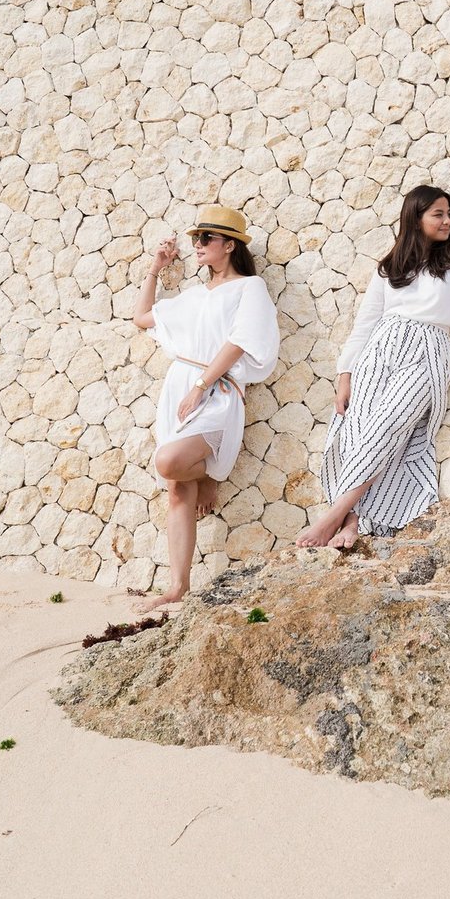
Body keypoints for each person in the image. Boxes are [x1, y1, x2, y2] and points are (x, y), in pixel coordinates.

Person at [298, 185, 450, 550]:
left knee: (388, 426)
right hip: (380, 350)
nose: (448, 221)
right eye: (438, 214)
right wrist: (345, 375)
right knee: (360, 429)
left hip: (428, 350)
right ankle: (354, 521)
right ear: (416, 218)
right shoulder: (390, 265)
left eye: (449, 213)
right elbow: (365, 322)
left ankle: (333, 515)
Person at [131, 205, 280, 610]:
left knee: (169, 462)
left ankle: (210, 470)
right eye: (196, 239)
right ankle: (177, 586)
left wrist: (201, 385)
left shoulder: (250, 288)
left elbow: (241, 340)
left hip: (215, 389)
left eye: (206, 239)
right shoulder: (196, 295)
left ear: (229, 245)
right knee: (178, 487)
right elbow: (142, 316)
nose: (197, 245)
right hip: (178, 386)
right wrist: (156, 268)